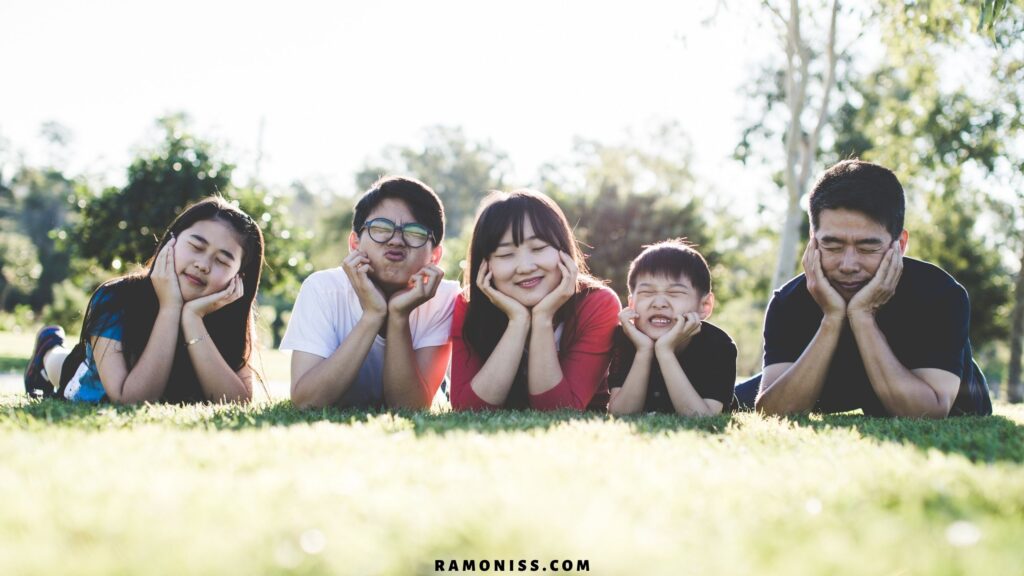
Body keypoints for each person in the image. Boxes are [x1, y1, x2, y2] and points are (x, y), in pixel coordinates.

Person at [735, 159, 992, 417]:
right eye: (833, 246)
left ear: (900, 245)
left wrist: (862, 316)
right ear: (813, 242)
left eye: (867, 248)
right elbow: (773, 412)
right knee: (727, 398)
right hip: (832, 381)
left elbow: (929, 412)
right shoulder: (788, 302)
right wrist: (832, 318)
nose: (848, 265)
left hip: (937, 388)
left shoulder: (940, 294)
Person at [23, 197, 265, 404]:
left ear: (238, 277)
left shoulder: (230, 311)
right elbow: (132, 400)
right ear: (172, 241)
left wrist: (192, 318)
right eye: (195, 246)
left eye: (222, 261)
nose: (203, 264)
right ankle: (47, 349)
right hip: (88, 376)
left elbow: (237, 402)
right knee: (62, 364)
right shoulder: (116, 297)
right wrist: (170, 308)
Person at [283, 176, 459, 410]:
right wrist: (372, 314)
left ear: (435, 256)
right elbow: (306, 402)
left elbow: (409, 409)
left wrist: (398, 315)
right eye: (381, 228)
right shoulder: (322, 289)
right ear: (354, 243)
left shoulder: (444, 298)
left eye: (415, 232)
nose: (396, 240)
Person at [450, 189, 620, 411]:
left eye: (538, 248)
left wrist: (542, 318)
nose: (526, 267)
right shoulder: (468, 305)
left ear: (563, 249)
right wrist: (518, 321)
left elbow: (558, 410)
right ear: (485, 264)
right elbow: (469, 409)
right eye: (505, 255)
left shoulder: (597, 304)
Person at [608, 240, 737, 416]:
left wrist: (665, 351)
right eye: (647, 293)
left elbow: (702, 418)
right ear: (631, 303)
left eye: (675, 293)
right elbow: (620, 414)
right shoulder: (627, 337)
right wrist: (644, 350)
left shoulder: (718, 344)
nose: (659, 303)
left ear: (704, 305)